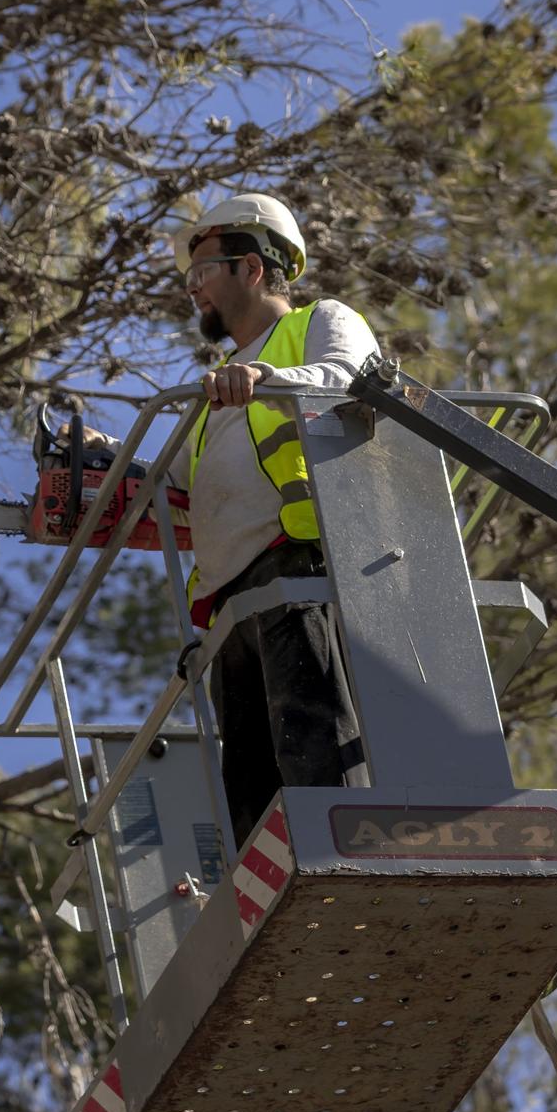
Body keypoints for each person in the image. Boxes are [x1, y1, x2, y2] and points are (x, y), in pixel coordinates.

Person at [169, 193, 380, 850]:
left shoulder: (318, 323)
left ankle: (346, 871)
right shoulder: (212, 394)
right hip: (229, 601)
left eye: (202, 272)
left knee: (313, 746)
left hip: (296, 565)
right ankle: (273, 899)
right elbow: (172, 479)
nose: (194, 289)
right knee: (254, 792)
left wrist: (268, 375)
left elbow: (349, 377)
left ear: (252, 269)